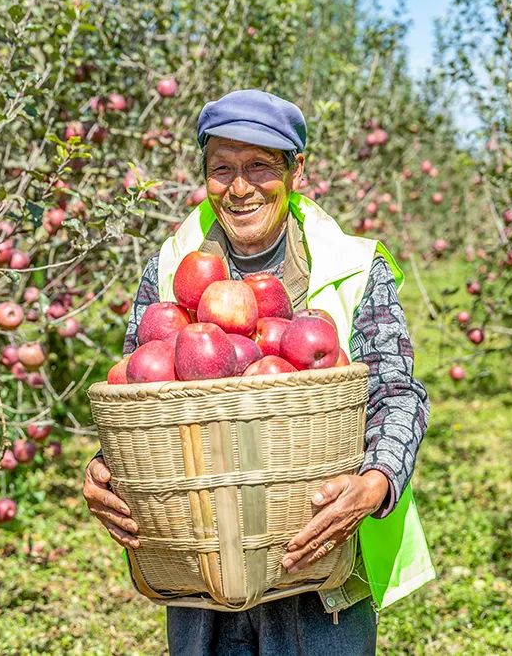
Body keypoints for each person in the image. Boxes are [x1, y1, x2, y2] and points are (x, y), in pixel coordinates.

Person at [83, 89, 433, 655]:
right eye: (221, 168)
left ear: (297, 170)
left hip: (320, 570)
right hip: (202, 572)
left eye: (259, 166)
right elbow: (138, 392)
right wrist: (106, 468)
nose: (239, 187)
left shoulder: (353, 265)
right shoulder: (171, 268)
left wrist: (375, 483)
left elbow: (397, 391)